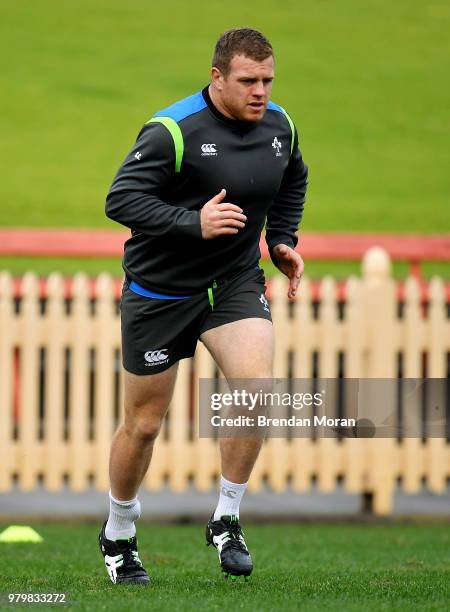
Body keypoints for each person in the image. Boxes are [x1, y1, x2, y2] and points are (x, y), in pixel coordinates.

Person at [98, 27, 308, 584]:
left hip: (233, 282)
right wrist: (193, 222)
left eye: (267, 80)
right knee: (144, 424)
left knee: (256, 389)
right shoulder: (173, 129)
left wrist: (282, 239)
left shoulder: (280, 127)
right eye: (247, 81)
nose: (260, 91)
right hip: (160, 290)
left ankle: (227, 518)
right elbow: (120, 199)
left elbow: (293, 181)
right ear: (217, 78)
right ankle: (119, 531)